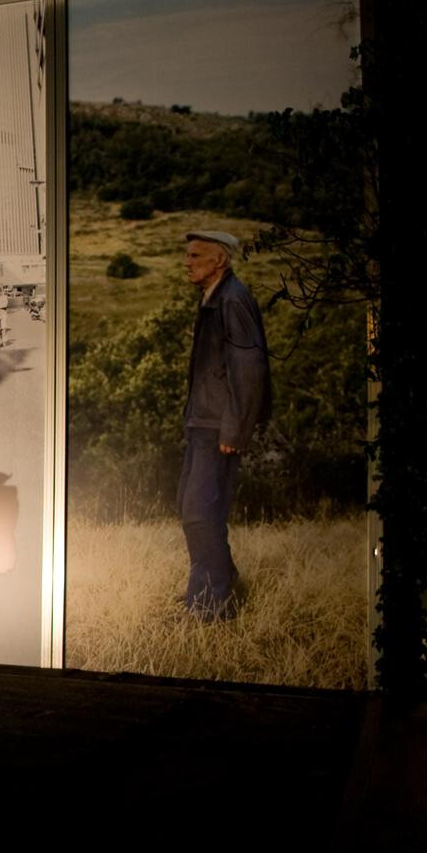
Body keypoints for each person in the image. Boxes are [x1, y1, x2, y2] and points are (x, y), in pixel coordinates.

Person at [178, 230, 271, 620]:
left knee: (200, 512)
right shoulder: (217, 297)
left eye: (196, 255)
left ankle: (215, 603)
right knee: (193, 509)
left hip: (218, 427)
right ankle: (211, 588)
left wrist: (234, 428)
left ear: (219, 261)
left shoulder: (232, 300)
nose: (188, 262)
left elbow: (249, 369)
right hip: (204, 423)